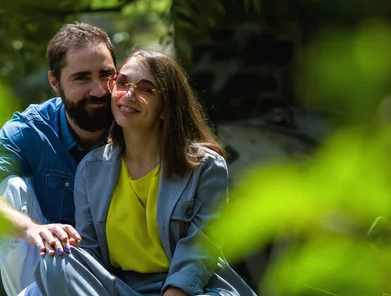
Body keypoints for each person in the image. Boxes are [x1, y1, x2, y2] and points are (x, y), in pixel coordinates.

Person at [34, 50, 256, 296]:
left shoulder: (205, 167)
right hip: (118, 289)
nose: (129, 94)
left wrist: (175, 292)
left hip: (189, 289)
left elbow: (202, 247)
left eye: (146, 89)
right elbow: (90, 253)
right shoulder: (90, 169)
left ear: (166, 108)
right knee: (56, 261)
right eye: (122, 82)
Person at [0, 22, 117, 296]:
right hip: (47, 267)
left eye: (106, 75)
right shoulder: (34, 128)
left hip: (115, 277)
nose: (99, 90)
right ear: (54, 82)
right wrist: (31, 230)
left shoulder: (135, 123)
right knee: (11, 188)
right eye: (82, 78)